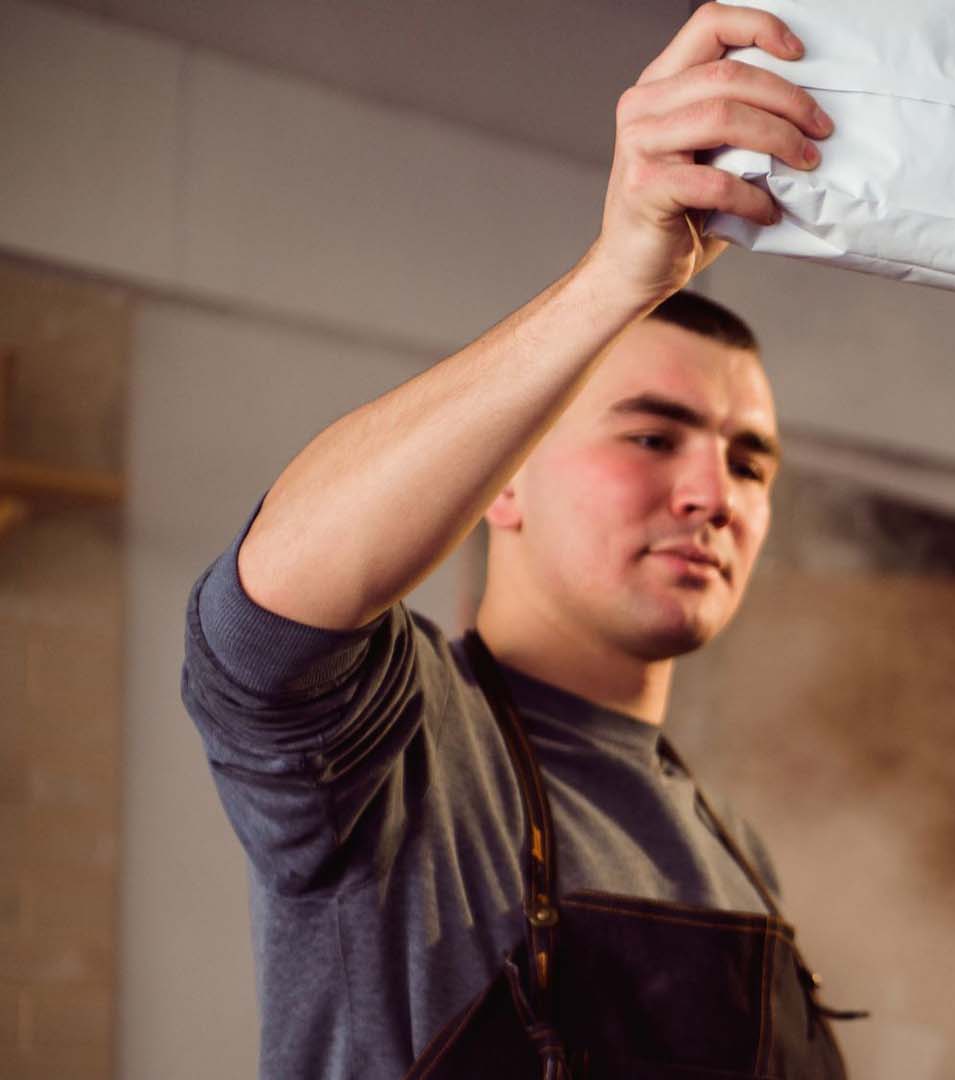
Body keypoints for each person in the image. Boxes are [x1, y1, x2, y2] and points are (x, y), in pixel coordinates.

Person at [178, 5, 851, 1077]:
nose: (712, 494)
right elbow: (264, 621)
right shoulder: (400, 755)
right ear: (503, 483)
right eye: (651, 434)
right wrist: (620, 275)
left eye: (750, 461)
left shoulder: (729, 848)